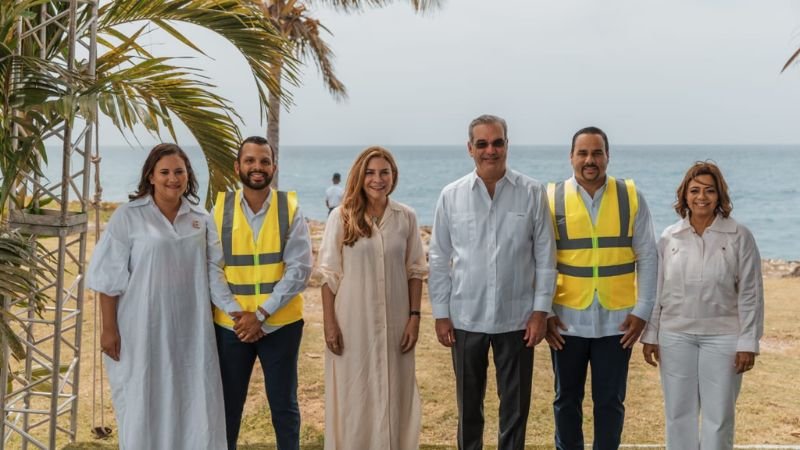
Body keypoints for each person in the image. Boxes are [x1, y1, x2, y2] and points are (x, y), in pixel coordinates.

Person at [87, 143, 232, 449]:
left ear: (188, 176)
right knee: (143, 398)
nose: (172, 178)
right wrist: (109, 329)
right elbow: (108, 278)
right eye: (164, 172)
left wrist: (236, 312)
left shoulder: (201, 218)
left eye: (179, 171)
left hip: (191, 330)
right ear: (150, 176)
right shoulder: (128, 216)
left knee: (192, 399)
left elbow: (212, 273)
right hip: (141, 328)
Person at [429, 114, 557, 450]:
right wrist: (441, 314)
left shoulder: (532, 192)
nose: (491, 150)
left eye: (497, 142)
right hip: (465, 319)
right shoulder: (450, 195)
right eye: (482, 144)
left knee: (515, 411)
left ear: (507, 145)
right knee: (468, 409)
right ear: (470, 148)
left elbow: (545, 256)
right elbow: (439, 258)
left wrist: (540, 311)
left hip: (517, 320)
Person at [544, 126, 657, 450]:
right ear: (571, 157)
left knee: (610, 402)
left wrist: (642, 310)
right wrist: (546, 311)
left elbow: (648, 255)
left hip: (617, 321)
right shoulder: (552, 198)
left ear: (608, 156)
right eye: (583, 153)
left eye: (597, 153)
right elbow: (540, 260)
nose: (589, 160)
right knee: (566, 400)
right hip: (567, 320)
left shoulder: (630, 196)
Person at [641, 162, 764, 450]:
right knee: (677, 414)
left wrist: (748, 341)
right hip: (675, 336)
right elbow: (658, 290)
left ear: (719, 196)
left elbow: (751, 293)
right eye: (694, 190)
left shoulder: (739, 236)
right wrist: (651, 335)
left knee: (719, 416)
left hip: (723, 338)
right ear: (684, 196)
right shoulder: (670, 237)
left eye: (709, 191)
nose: (702, 197)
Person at [318, 146, 427, 449]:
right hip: (352, 323)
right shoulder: (341, 217)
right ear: (359, 176)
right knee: (354, 394)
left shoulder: (406, 217)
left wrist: (414, 318)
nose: (377, 179)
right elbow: (328, 275)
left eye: (384, 172)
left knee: (397, 392)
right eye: (370, 172)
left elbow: (415, 271)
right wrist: (329, 324)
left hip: (396, 323)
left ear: (393, 176)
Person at [210, 136, 312, 450]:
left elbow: (300, 269)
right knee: (227, 408)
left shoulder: (289, 207)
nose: (258, 167)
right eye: (251, 161)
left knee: (284, 406)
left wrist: (262, 314)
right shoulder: (219, 208)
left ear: (273, 167)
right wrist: (240, 316)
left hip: (280, 325)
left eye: (264, 161)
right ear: (238, 166)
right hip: (232, 327)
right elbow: (211, 268)